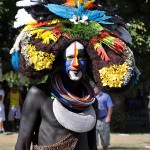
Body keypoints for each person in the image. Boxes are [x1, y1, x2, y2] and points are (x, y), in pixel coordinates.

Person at [10, 0, 139, 149]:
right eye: (70, 57)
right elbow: (22, 143)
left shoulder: (90, 101)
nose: (76, 63)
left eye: (82, 57)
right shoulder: (39, 95)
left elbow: (92, 146)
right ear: (60, 60)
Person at [94, 85, 113, 150]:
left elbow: (110, 106)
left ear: (98, 88)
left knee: (105, 140)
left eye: (94, 87)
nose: (93, 89)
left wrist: (108, 117)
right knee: (93, 140)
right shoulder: (91, 97)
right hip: (94, 120)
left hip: (103, 119)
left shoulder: (106, 96)